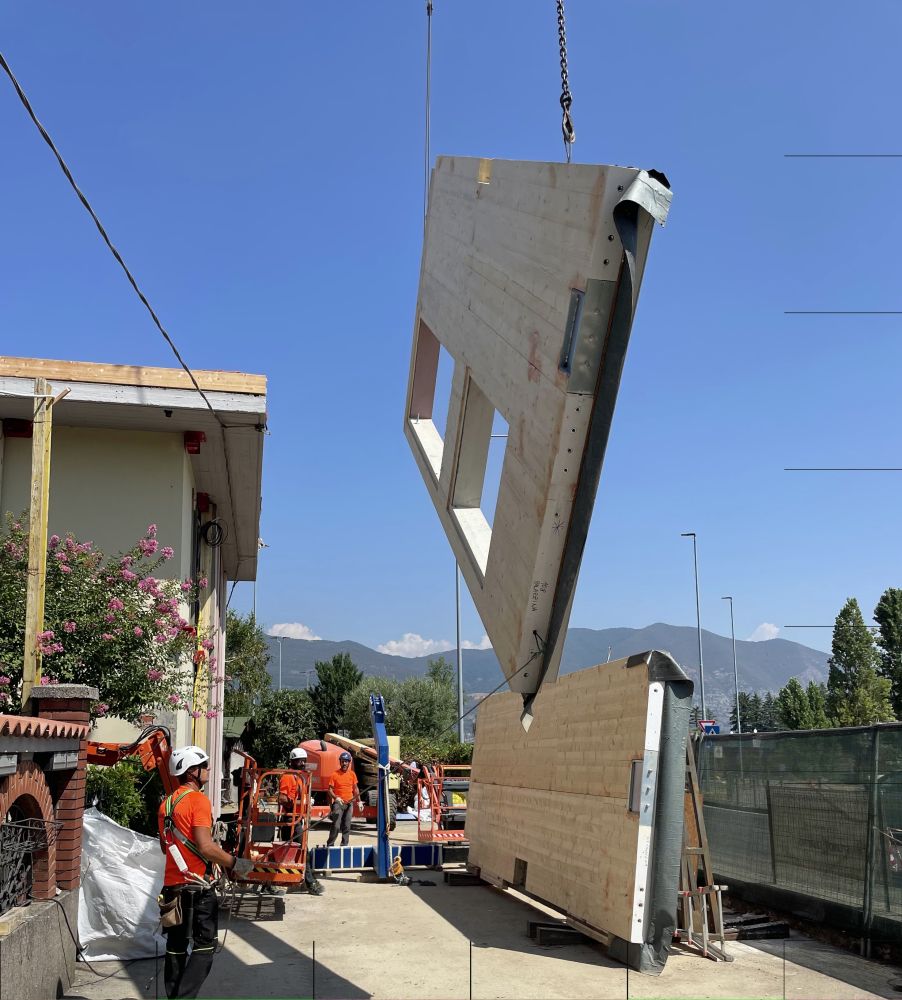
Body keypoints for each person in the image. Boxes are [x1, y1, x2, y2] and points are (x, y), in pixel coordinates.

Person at [157, 745, 253, 999]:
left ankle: (173, 995)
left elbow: (165, 846)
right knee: (204, 948)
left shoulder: (166, 805)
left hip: (172, 888)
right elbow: (206, 846)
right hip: (197, 889)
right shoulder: (198, 801)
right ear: (191, 773)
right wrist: (235, 864)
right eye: (204, 766)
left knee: (176, 948)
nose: (208, 770)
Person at [326, 751, 359, 847]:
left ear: (349, 763)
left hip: (349, 803)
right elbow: (330, 790)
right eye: (343, 761)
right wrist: (336, 798)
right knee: (336, 825)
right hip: (338, 804)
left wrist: (359, 801)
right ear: (340, 762)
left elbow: (356, 788)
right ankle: (330, 844)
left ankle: (344, 845)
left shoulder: (352, 774)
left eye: (346, 761)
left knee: (347, 826)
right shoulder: (334, 774)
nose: (344, 763)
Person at [277, 747, 308, 843]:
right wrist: (300, 802)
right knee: (299, 849)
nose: (303, 764)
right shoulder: (288, 776)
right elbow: (282, 799)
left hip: (297, 818)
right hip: (290, 819)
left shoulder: (298, 776)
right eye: (300, 761)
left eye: (304, 761)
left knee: (299, 849)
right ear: (293, 762)